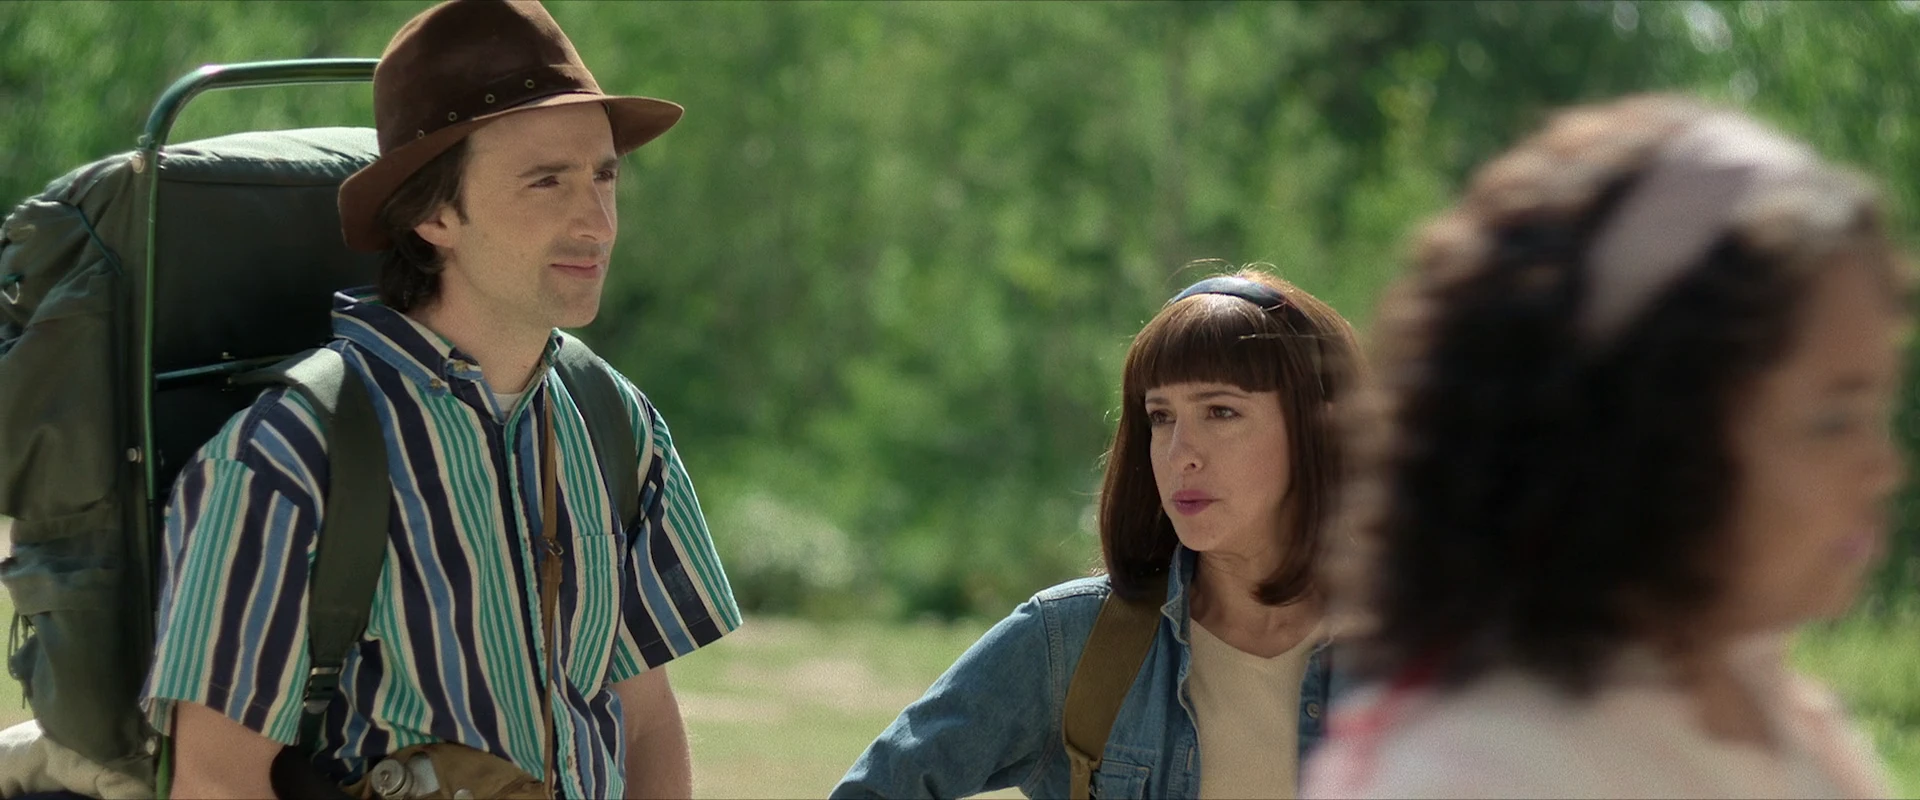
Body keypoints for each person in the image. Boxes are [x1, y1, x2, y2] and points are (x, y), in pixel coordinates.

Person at [139, 1, 739, 798]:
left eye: (604, 175)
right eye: (546, 181)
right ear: (433, 214)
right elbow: (217, 782)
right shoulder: (286, 459)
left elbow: (645, 721)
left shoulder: (613, 418)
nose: (597, 223)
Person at [1302, 94, 1906, 798]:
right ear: (1654, 432)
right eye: (1834, 419)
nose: (1884, 469)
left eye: (1878, 414)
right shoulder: (1483, 773)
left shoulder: (1770, 709)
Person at [833, 267, 1363, 799]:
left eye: (1220, 411)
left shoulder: (1406, 651)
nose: (1180, 453)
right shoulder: (1072, 642)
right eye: (1161, 417)